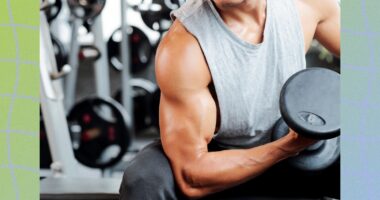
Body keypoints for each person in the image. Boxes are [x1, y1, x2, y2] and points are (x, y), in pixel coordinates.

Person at [119, 0, 340, 199]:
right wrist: (287, 147)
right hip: (224, 161)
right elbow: (192, 176)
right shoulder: (185, 46)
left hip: (302, 149)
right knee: (145, 177)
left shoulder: (307, 5)